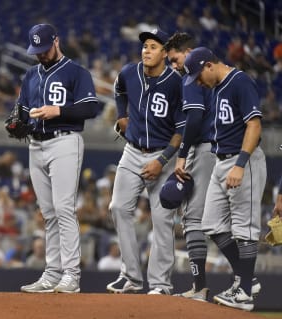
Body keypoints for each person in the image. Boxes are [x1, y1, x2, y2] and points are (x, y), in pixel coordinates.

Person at [15, 23, 99, 293]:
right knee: (48, 213)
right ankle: (51, 273)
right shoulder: (30, 75)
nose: (40, 54)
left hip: (65, 141)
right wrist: (17, 124)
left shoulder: (76, 72)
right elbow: (23, 111)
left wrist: (58, 111)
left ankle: (71, 274)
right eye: (36, 50)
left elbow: (90, 107)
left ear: (56, 42)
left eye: (44, 48)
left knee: (63, 209)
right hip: (35, 145)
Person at [184, 47, 266, 311]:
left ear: (209, 65)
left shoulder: (239, 82)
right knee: (212, 224)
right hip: (221, 161)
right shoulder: (216, 87)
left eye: (198, 75)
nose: (198, 81)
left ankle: (244, 294)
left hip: (244, 160)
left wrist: (240, 165)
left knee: (244, 228)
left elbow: (254, 125)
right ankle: (247, 279)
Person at [106, 29, 184, 295]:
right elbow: (118, 89)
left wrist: (162, 162)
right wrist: (121, 115)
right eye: (145, 46)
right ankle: (131, 277)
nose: (147, 50)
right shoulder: (130, 72)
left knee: (162, 221)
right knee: (118, 207)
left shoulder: (176, 83)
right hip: (132, 151)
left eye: (153, 46)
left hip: (163, 155)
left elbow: (181, 130)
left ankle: (160, 285)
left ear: (164, 53)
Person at [162, 32, 215, 301]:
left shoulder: (191, 79)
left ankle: (200, 287)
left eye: (175, 59)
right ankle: (245, 281)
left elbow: (194, 119)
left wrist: (182, 155)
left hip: (204, 148)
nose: (174, 65)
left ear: (189, 52)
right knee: (224, 221)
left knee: (193, 218)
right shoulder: (220, 76)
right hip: (225, 150)